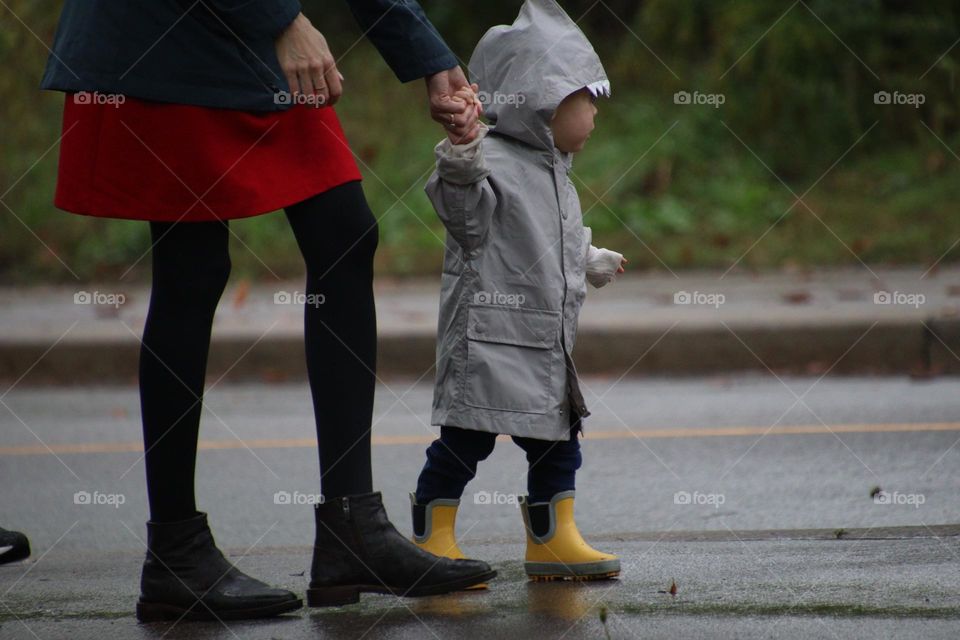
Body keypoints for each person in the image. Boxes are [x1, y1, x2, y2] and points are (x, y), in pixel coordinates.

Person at [39, 0, 494, 621]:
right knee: (190, 267)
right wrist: (280, 18)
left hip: (238, 28)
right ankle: (176, 549)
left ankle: (350, 528)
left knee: (342, 231)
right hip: (161, 31)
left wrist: (426, 53)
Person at [408, 0, 626, 582]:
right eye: (587, 101)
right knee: (464, 441)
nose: (595, 115)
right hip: (489, 341)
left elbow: (555, 238)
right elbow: (466, 219)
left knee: (558, 443)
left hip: (543, 344)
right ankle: (434, 537)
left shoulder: (556, 172)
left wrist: (588, 258)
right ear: (542, 102)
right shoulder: (490, 160)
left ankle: (553, 540)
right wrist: (460, 152)